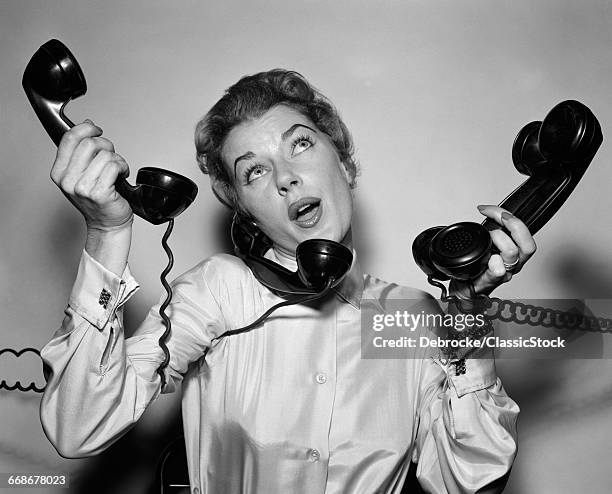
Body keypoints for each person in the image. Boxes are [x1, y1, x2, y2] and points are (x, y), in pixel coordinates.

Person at [40, 70, 536, 493]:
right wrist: (107, 232)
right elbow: (77, 428)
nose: (285, 177)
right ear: (246, 215)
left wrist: (470, 321)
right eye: (254, 171)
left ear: (342, 161)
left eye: (299, 143)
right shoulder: (217, 290)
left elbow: (467, 480)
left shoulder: (416, 316)